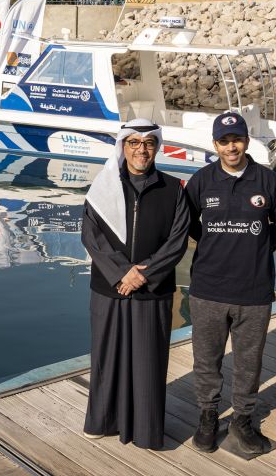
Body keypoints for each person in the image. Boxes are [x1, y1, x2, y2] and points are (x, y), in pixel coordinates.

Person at [185, 112, 276, 455]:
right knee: (206, 360)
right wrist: (215, 246)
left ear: (246, 141)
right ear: (215, 144)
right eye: (224, 141)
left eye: (237, 139)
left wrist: (257, 248)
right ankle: (207, 417)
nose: (231, 147)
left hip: (254, 291)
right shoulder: (201, 181)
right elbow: (188, 224)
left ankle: (242, 420)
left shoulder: (268, 182)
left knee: (249, 361)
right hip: (208, 290)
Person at [81, 118, 190, 450]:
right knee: (106, 358)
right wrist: (121, 273)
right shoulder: (103, 186)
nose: (142, 150)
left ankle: (145, 430)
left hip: (152, 290)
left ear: (156, 147)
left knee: (148, 361)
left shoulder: (173, 189)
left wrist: (143, 273)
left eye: (148, 143)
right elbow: (91, 236)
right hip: (109, 287)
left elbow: (178, 240)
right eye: (134, 143)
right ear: (123, 146)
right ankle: (102, 421)